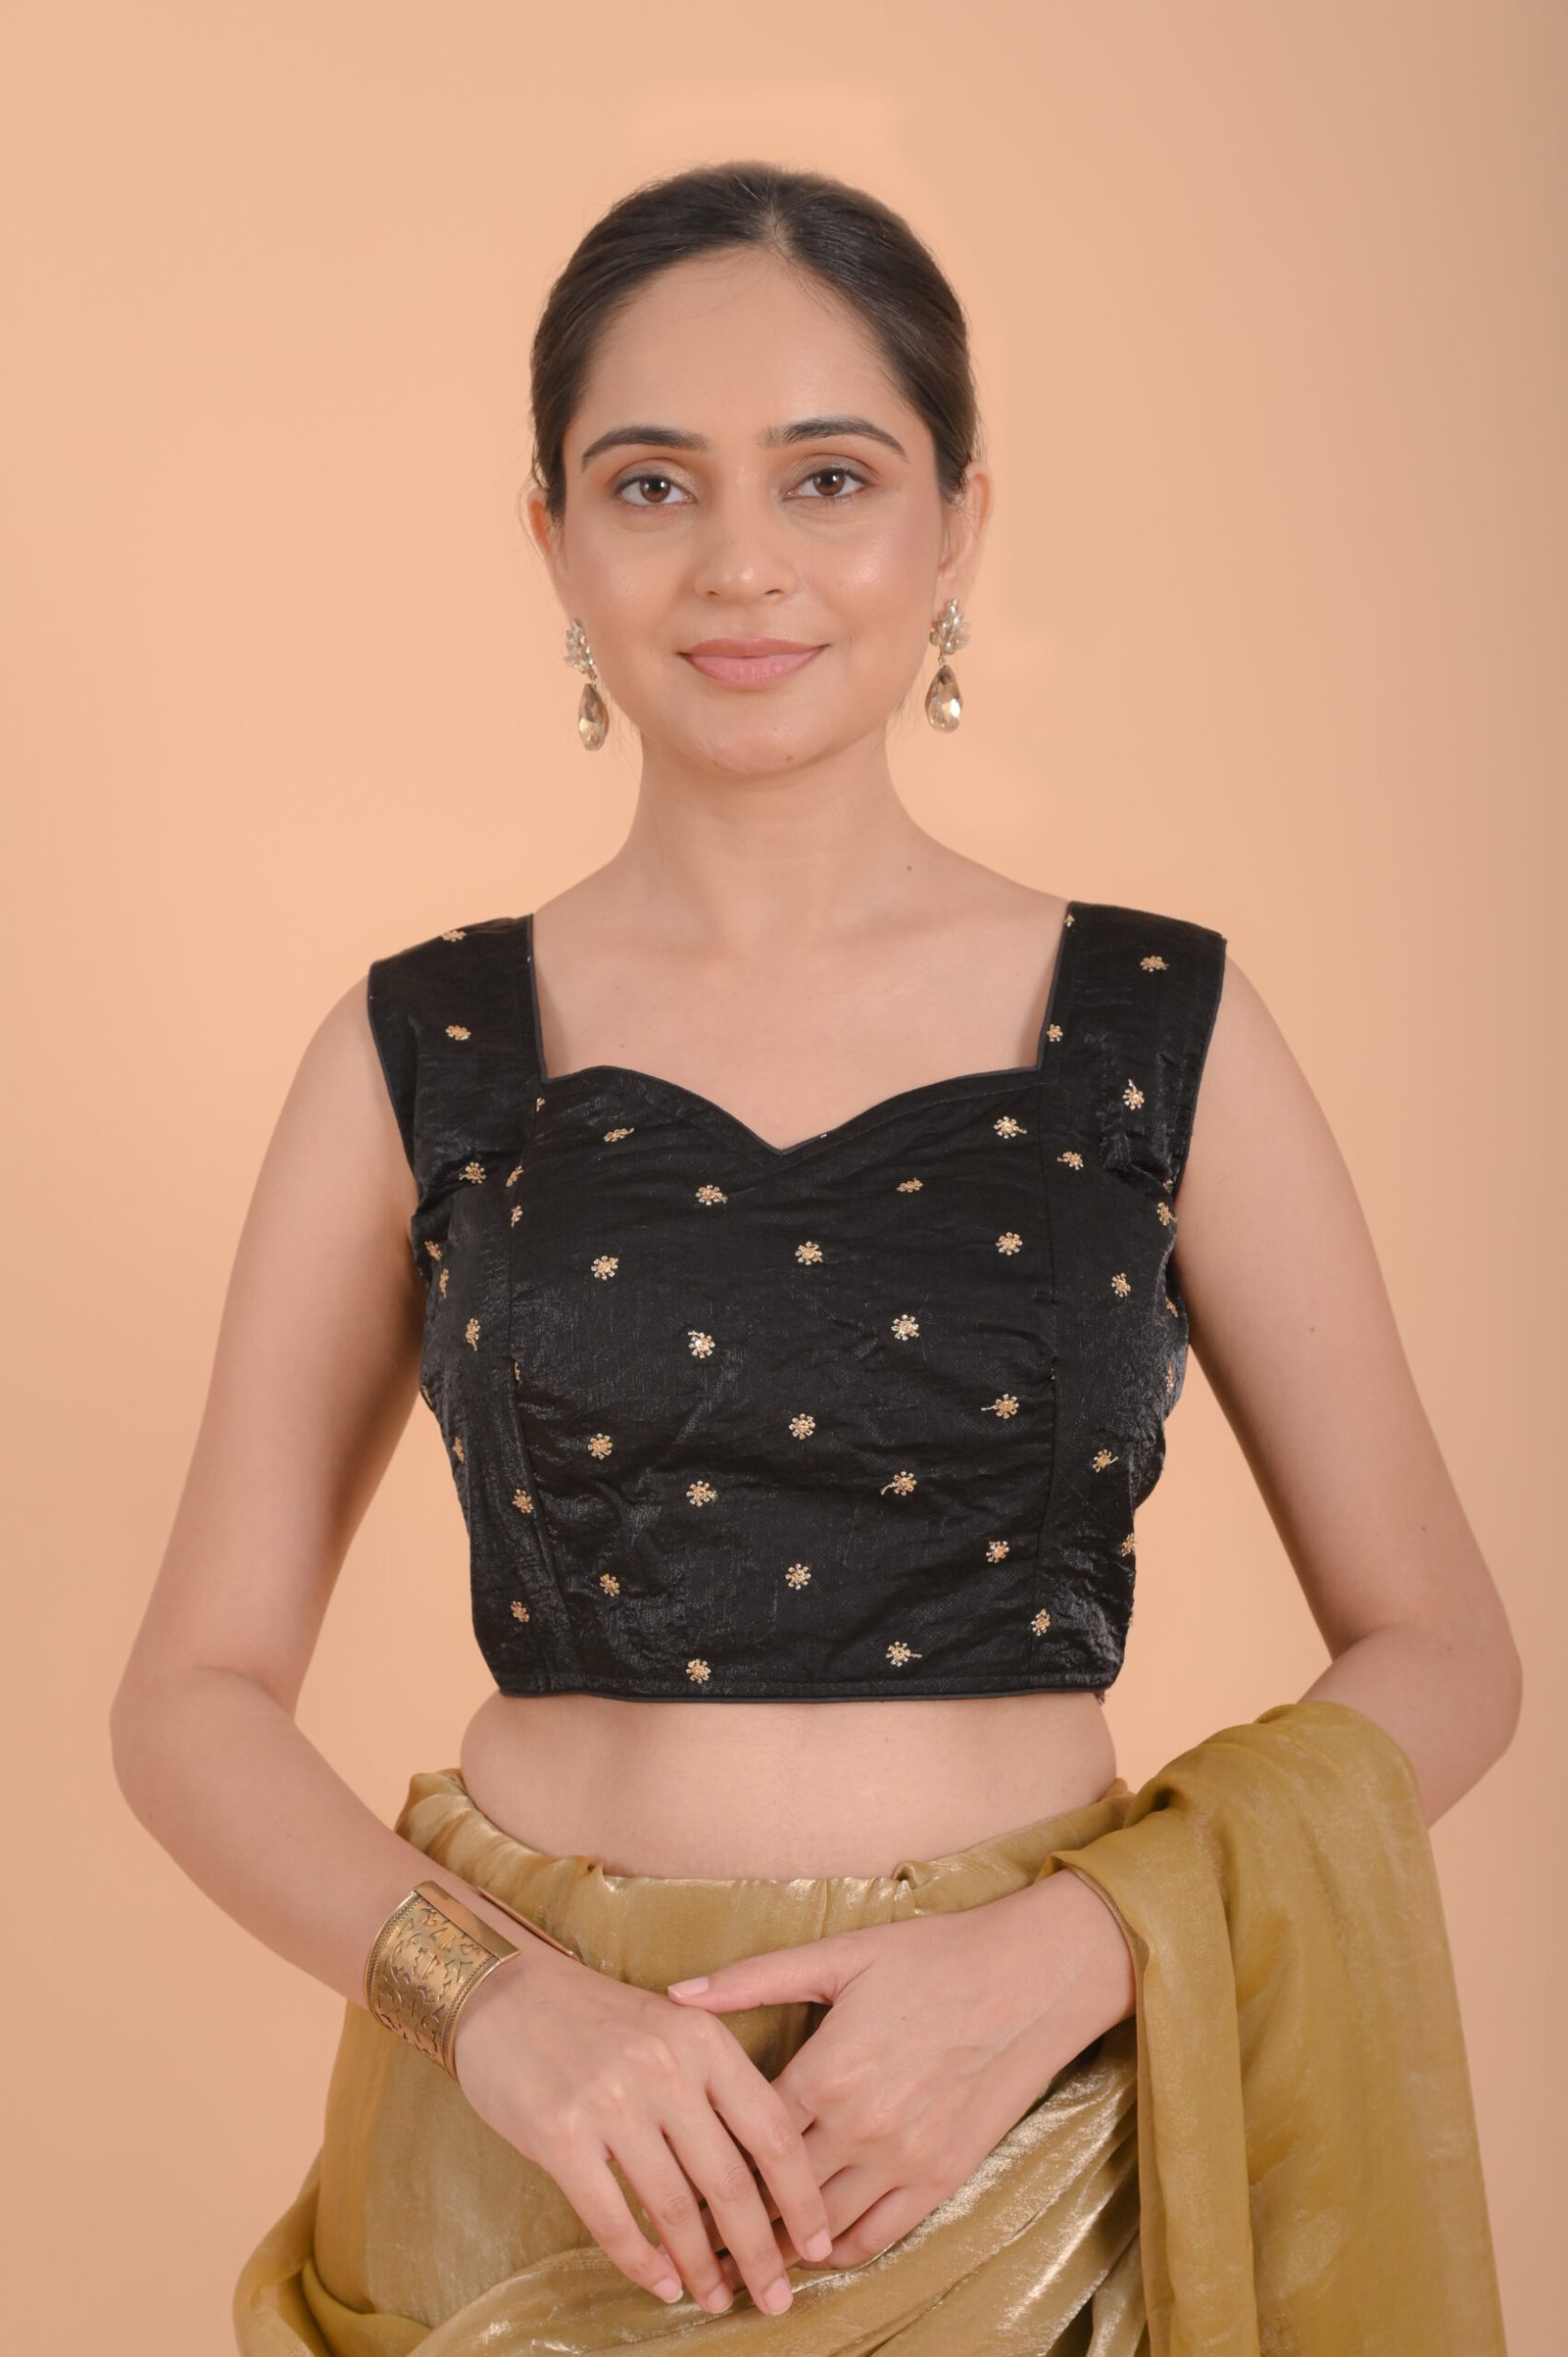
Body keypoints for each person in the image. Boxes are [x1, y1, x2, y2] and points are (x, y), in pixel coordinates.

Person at [111, 162, 1518, 2354]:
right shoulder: (420, 1044)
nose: (742, 562)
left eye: (830, 477)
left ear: (957, 526)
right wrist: (498, 2010)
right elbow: (189, 1699)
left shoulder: (1159, 1026)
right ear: (551, 540)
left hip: (1018, 2130)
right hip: (532, 2145)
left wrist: (1074, 1950)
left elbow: (1443, 1650)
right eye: (650, 482)